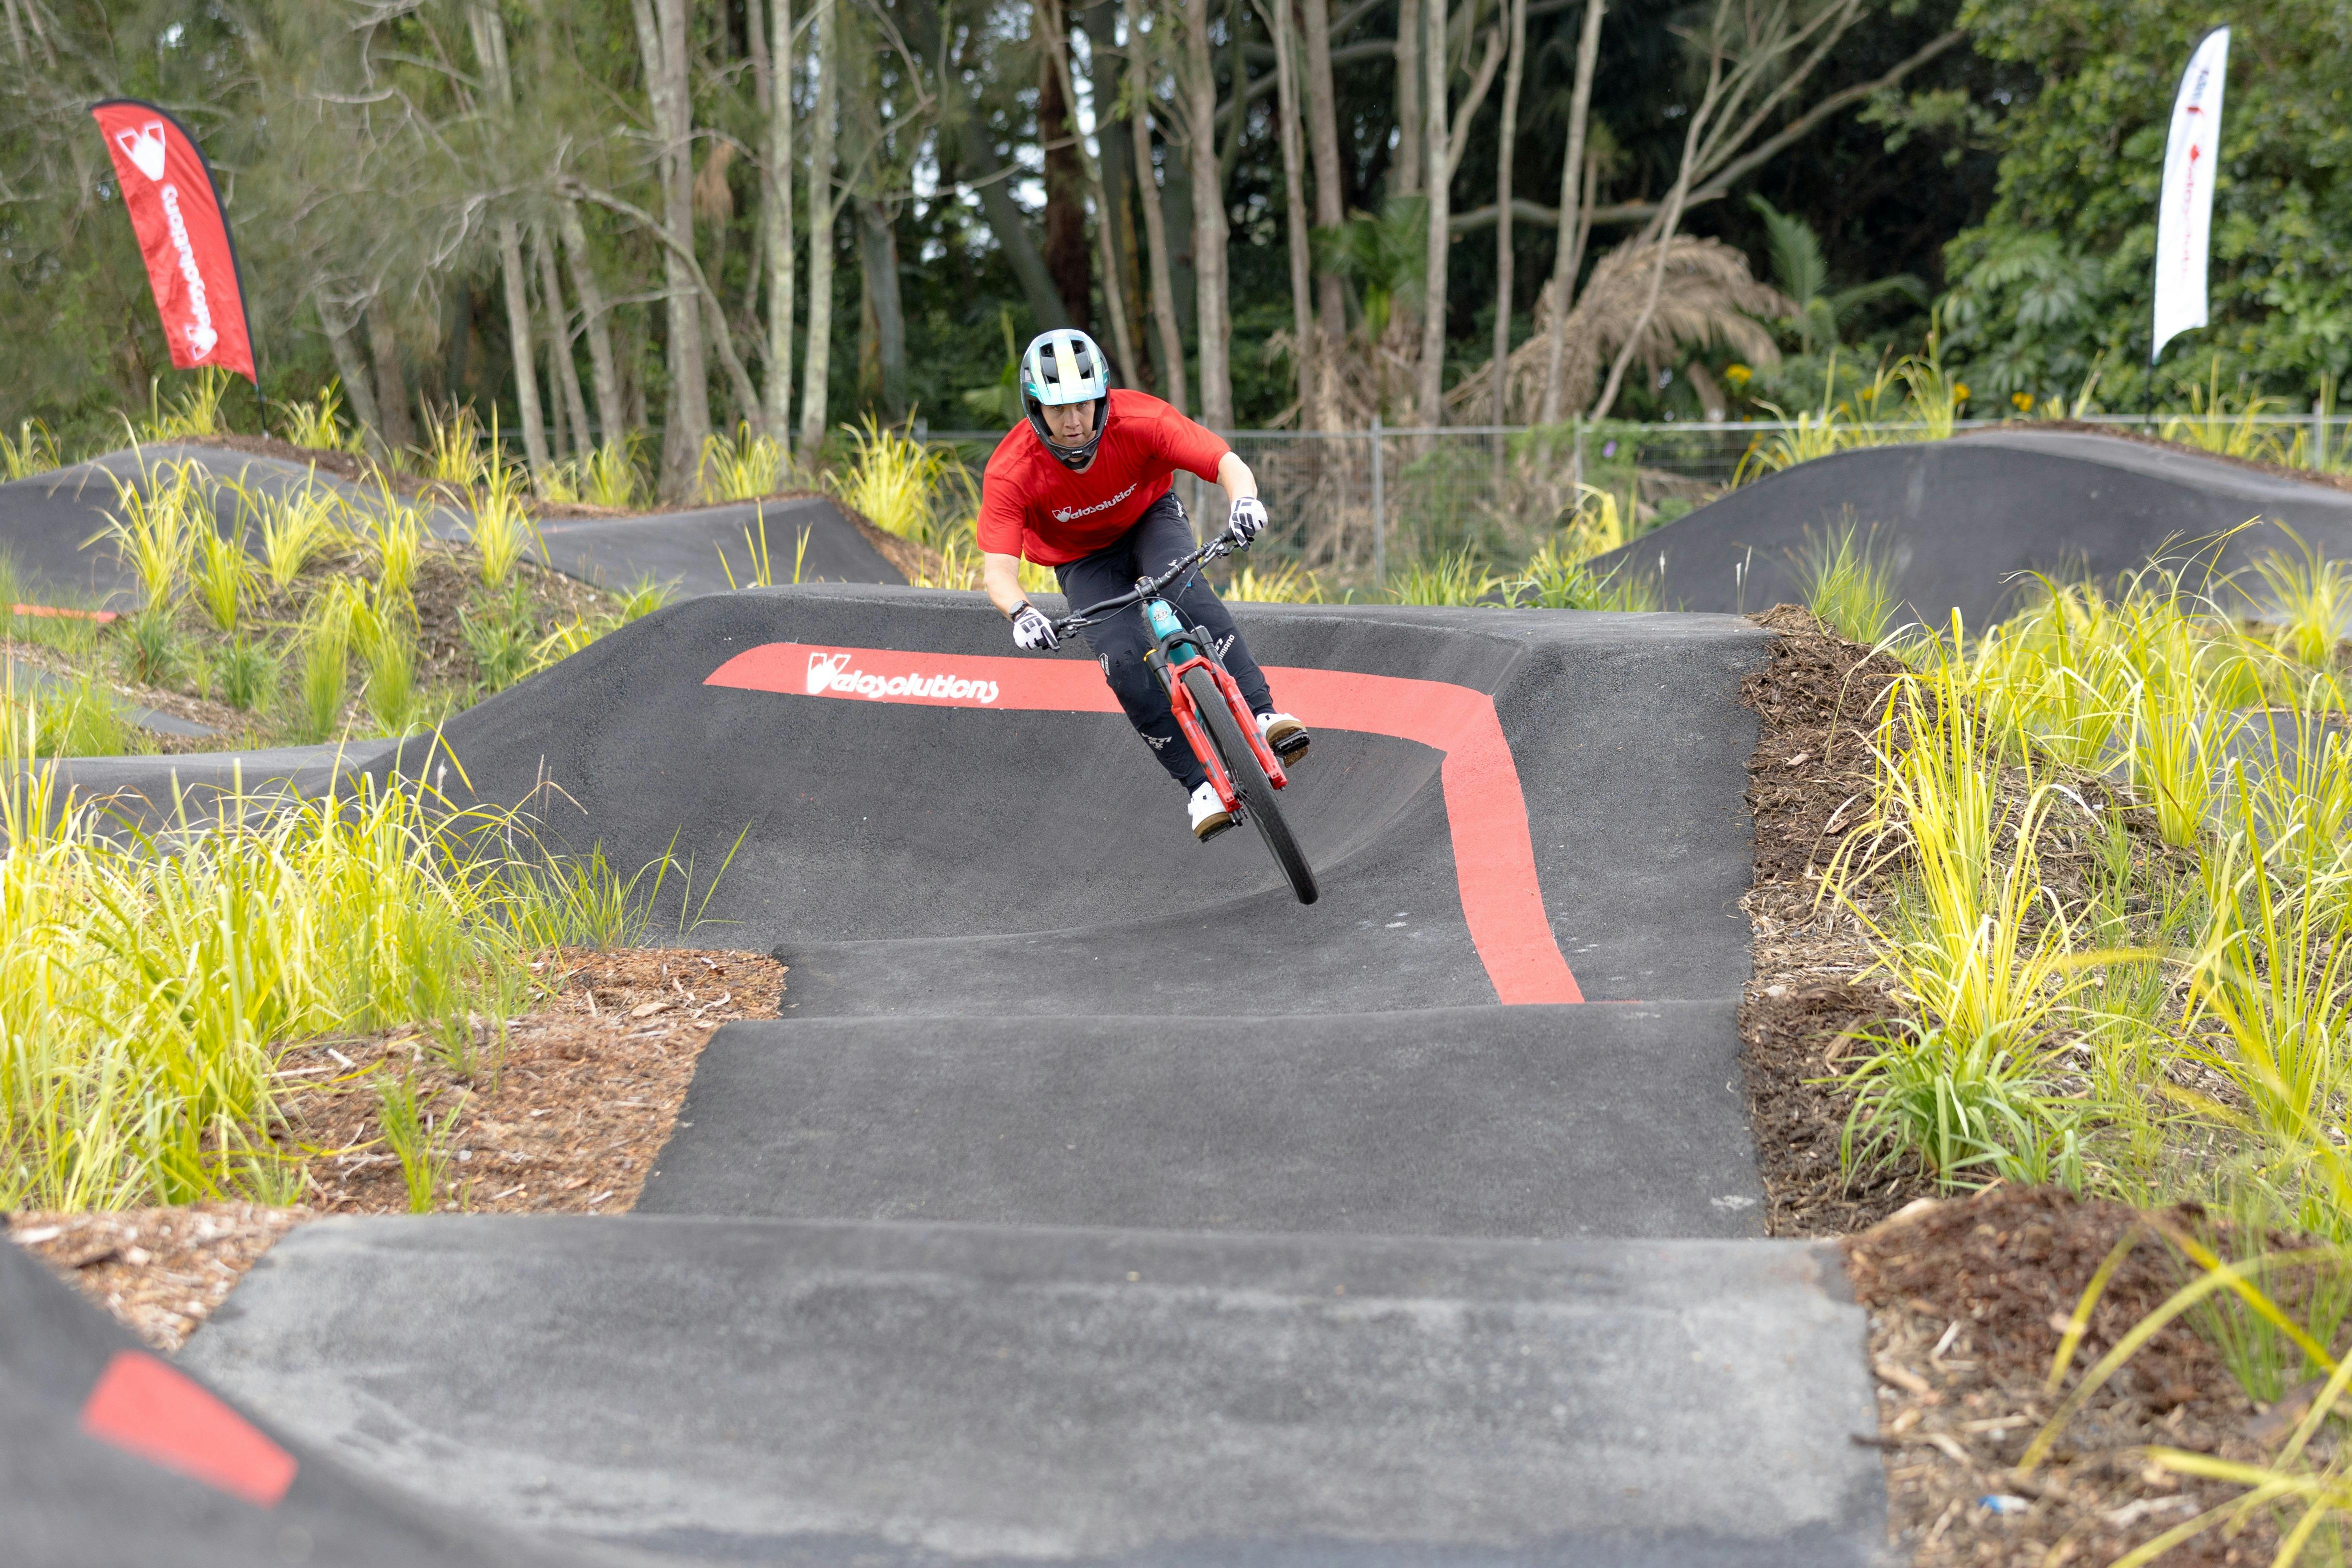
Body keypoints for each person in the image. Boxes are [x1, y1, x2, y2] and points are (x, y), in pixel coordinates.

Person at [979, 327, 1310, 841]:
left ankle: (1264, 716)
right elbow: (998, 571)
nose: (1073, 422)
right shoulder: (1012, 470)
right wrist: (1022, 614)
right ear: (1033, 408)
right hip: (1082, 560)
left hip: (1151, 520)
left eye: (1085, 405)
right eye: (1057, 409)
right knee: (1123, 661)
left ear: (1103, 397)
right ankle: (1200, 787)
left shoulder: (1141, 419)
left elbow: (1225, 462)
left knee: (1186, 593)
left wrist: (1244, 500)